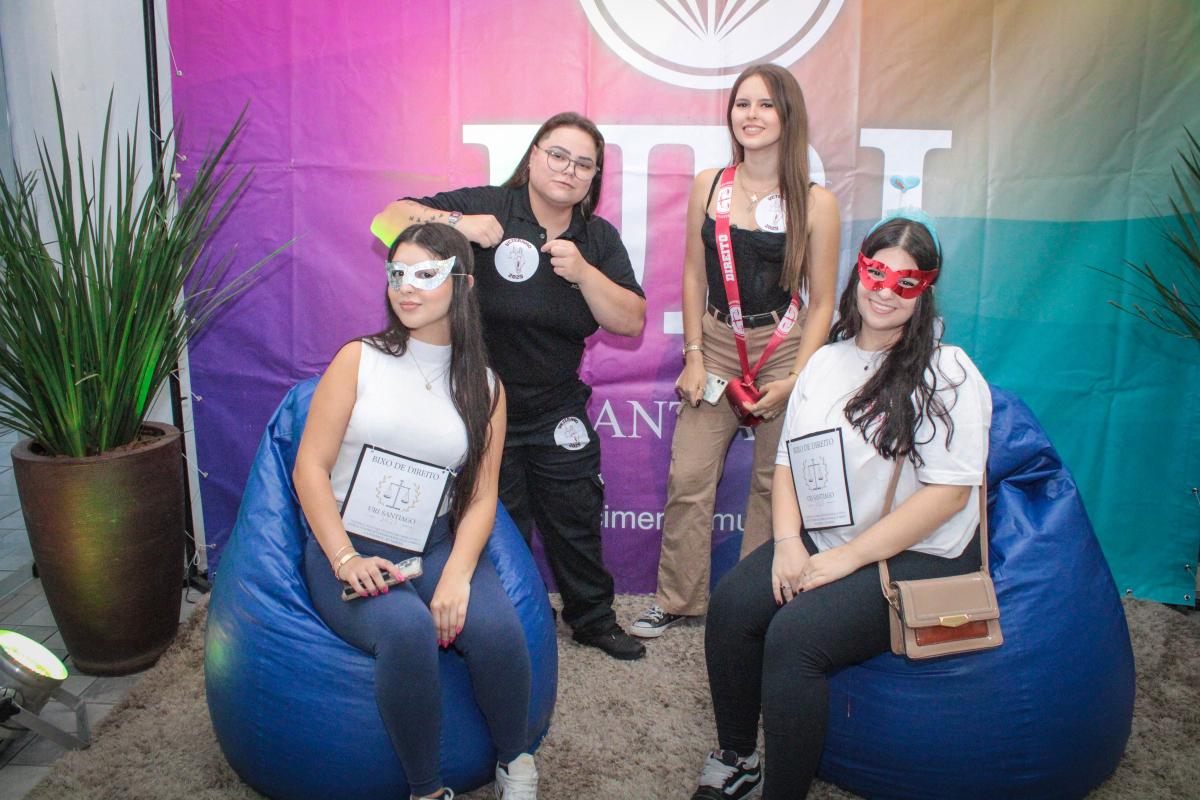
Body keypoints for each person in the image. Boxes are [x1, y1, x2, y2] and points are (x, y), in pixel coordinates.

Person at [689, 210, 993, 800]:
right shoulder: (825, 362)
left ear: (925, 290)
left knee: (795, 638)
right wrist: (786, 544)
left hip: (921, 553)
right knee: (732, 606)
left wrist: (844, 560)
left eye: (906, 282)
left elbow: (949, 495)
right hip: (833, 536)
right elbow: (788, 464)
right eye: (877, 273)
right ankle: (737, 758)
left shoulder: (948, 370)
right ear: (859, 271)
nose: (886, 291)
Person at [371, 113, 648, 660]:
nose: (568, 170)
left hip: (556, 406)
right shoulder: (491, 206)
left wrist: (585, 274)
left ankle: (593, 618)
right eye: (558, 155)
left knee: (575, 516)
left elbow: (631, 320)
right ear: (534, 155)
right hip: (477, 404)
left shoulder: (596, 238)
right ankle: (520, 614)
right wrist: (459, 224)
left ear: (594, 177)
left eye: (584, 164)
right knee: (498, 526)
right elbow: (387, 220)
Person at [293, 224, 538, 800]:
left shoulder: (485, 387)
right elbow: (309, 468)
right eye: (397, 273)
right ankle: (426, 791)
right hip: (349, 541)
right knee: (406, 631)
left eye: (426, 274)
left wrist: (456, 577)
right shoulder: (358, 359)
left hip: (433, 541)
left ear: (463, 284)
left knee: (498, 630)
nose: (407, 287)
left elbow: (482, 495)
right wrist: (344, 557)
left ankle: (516, 761)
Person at [633, 64, 841, 638]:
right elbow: (693, 274)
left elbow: (823, 301)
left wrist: (798, 378)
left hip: (784, 350)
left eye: (765, 104)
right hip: (717, 348)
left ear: (788, 116)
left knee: (775, 487)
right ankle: (679, 600)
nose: (751, 115)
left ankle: (755, 606)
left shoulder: (817, 203)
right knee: (689, 479)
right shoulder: (710, 184)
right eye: (742, 103)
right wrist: (694, 354)